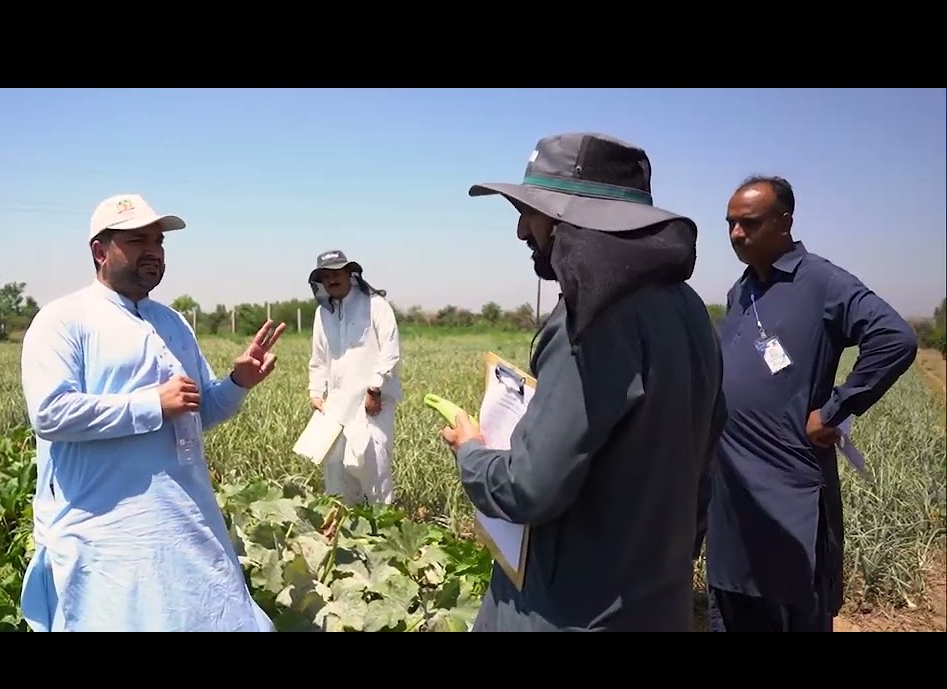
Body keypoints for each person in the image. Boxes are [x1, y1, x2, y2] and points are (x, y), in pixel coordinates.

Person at [439, 131, 726, 632]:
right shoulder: (690, 310)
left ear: (568, 220)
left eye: (530, 213)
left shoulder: (592, 320)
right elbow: (703, 466)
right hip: (655, 605)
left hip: (567, 611)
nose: (523, 231)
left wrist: (472, 453)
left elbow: (528, 489)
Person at [18, 192, 287, 632]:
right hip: (107, 535)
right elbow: (50, 414)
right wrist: (150, 405)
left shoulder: (172, 322)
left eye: (159, 242)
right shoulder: (64, 320)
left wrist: (238, 383)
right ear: (100, 251)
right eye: (138, 240)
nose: (154, 252)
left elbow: (196, 413)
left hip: (184, 520)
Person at [704, 175, 918, 632]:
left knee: (790, 611)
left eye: (749, 223)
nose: (736, 234)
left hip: (789, 495)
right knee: (729, 612)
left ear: (785, 222)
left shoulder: (822, 282)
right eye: (730, 224)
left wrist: (837, 409)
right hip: (732, 501)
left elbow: (894, 338)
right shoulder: (740, 292)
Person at [307, 250, 402, 505]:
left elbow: (390, 352)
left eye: (337, 273)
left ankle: (383, 526)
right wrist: (315, 392)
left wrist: (375, 390)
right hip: (337, 403)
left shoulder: (376, 306)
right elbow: (318, 358)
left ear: (350, 273)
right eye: (325, 276)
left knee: (371, 462)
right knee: (336, 466)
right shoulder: (322, 313)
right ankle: (345, 526)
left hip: (372, 402)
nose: (332, 280)